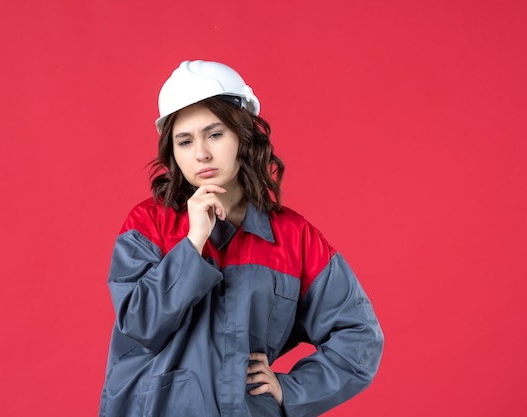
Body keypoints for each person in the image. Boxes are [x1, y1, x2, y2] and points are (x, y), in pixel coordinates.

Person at [99, 60, 383, 417]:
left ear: (243, 136)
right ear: (173, 154)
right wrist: (192, 243)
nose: (201, 153)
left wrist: (291, 390)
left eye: (214, 134)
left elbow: (359, 336)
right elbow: (139, 325)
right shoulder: (147, 225)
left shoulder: (294, 239)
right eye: (185, 141)